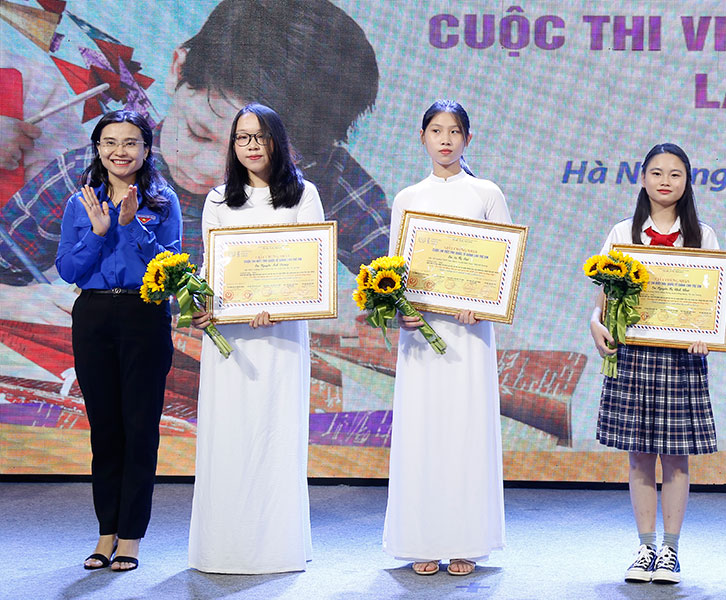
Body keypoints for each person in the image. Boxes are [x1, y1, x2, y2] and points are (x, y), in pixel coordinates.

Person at [1, 0, 387, 284]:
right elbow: (5, 271)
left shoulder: (326, 176)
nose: (209, 172)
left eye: (254, 159)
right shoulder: (95, 175)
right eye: (198, 133)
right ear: (178, 68)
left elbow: (402, 275)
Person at [187, 104, 322, 573]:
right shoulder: (217, 200)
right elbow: (210, 269)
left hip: (282, 335)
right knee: (228, 436)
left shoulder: (303, 195)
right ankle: (223, 547)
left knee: (275, 435)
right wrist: (202, 306)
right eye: (242, 137)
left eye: (260, 136)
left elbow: (314, 267)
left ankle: (276, 547)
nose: (251, 145)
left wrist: (280, 305)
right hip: (230, 338)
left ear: (277, 141)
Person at [382, 100, 508, 577]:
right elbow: (394, 270)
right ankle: (422, 539)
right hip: (422, 335)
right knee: (423, 432)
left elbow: (503, 264)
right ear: (423, 137)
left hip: (470, 333)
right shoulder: (407, 197)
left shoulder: (486, 193)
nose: (446, 139)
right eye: (436, 130)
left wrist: (485, 304)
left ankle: (465, 541)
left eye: (455, 131)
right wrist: (401, 310)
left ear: (467, 139)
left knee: (465, 431)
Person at [55, 110, 180, 571]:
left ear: (146, 149)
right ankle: (105, 532)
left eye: (130, 143)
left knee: (140, 429)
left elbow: (171, 269)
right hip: (93, 315)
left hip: (143, 314)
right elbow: (68, 269)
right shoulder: (80, 203)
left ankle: (130, 536)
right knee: (104, 429)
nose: (119, 151)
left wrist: (132, 226)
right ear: (98, 148)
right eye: (109, 142)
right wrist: (98, 232)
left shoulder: (163, 200)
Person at [589, 143, 719, 585]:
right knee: (640, 456)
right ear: (642, 178)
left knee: (676, 458)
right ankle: (645, 547)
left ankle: (671, 552)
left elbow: (713, 304)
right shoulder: (622, 232)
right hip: (634, 355)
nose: (665, 181)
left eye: (675, 174)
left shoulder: (703, 236)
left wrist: (706, 335)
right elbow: (601, 301)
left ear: (687, 182)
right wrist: (594, 324)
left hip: (682, 359)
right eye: (657, 172)